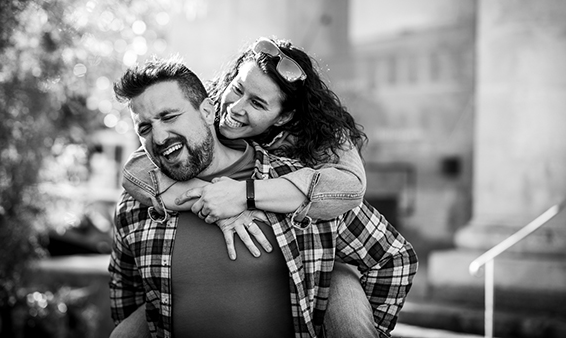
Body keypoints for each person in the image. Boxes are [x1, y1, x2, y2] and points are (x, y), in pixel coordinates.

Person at [108, 56, 418, 338]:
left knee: (343, 286)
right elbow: (127, 291)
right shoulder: (140, 199)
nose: (236, 109)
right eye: (145, 127)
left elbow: (393, 256)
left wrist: (245, 194)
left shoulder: (299, 182)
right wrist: (207, 196)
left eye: (170, 117)